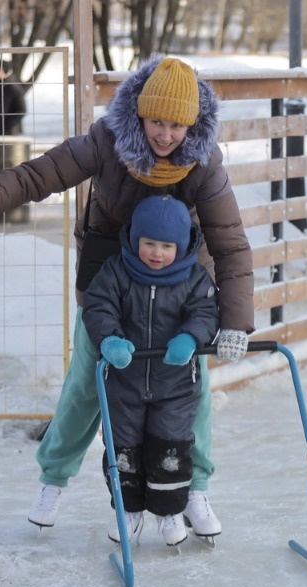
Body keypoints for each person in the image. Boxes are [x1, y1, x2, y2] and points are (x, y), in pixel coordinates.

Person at [0, 56, 254, 541]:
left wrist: (233, 322)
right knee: (86, 384)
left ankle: (193, 490)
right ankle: (53, 480)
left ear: (192, 124)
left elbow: (230, 244)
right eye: (157, 122)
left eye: (176, 125)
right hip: (110, 287)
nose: (165, 135)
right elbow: (38, 176)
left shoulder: (203, 160)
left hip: (181, 294)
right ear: (140, 114)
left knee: (193, 393)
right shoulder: (107, 141)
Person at [84, 194, 219, 546]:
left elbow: (207, 312)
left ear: (181, 245)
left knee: (169, 451)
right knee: (123, 452)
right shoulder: (116, 270)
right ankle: (128, 513)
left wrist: (190, 337)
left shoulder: (194, 277)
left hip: (174, 386)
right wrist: (111, 341)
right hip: (125, 382)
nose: (156, 253)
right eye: (148, 244)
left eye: (165, 246)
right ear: (134, 239)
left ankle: (170, 513)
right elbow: (98, 307)